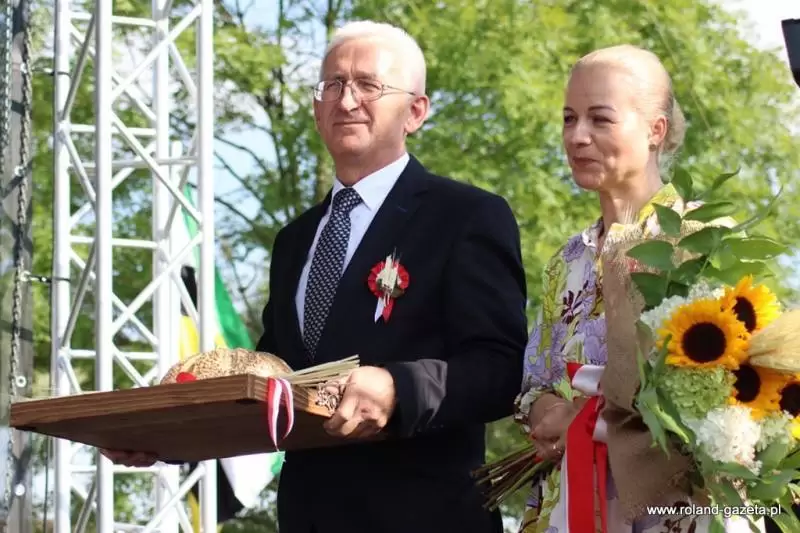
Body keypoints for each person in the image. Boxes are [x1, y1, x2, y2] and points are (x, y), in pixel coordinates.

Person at [105, 20, 527, 533]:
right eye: (332, 85)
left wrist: (400, 387)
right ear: (315, 107)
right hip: (308, 516)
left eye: (368, 85)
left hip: (426, 515)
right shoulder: (295, 240)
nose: (346, 101)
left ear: (416, 111)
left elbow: (502, 368)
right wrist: (170, 435)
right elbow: (272, 387)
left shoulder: (464, 217)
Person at [514, 45, 759, 533]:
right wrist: (546, 410)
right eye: (569, 119)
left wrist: (584, 421)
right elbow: (534, 383)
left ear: (655, 130)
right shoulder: (567, 260)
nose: (577, 136)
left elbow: (726, 404)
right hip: (565, 507)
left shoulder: (702, 242)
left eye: (600, 119)